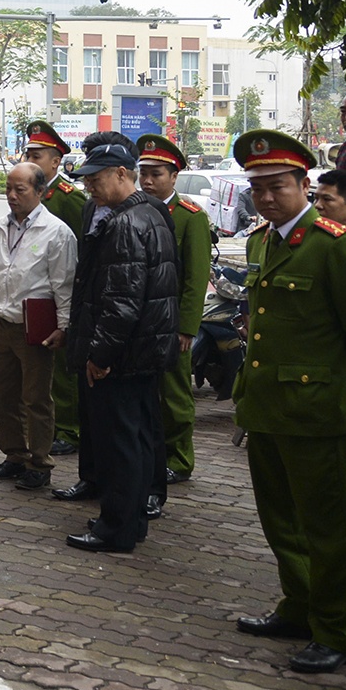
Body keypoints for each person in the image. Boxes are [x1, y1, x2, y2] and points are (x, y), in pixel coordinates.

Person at [230, 129, 346, 674]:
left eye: (278, 187)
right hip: (266, 405)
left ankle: (337, 629)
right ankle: (298, 606)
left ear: (303, 184)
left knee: (329, 527)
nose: (267, 198)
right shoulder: (262, 241)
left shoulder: (335, 243)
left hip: (315, 410)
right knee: (280, 520)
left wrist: (319, 379)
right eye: (258, 188)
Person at [60, 133, 178, 554]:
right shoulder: (151, 212)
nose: (89, 186)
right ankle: (130, 519)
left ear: (122, 173)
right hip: (143, 349)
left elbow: (122, 301)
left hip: (124, 351)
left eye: (96, 178)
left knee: (120, 443)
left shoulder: (126, 223)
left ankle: (116, 527)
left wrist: (100, 355)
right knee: (139, 437)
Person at [0, 163, 77, 491]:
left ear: (40, 192)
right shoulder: (0, 227)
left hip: (36, 329)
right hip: (2, 325)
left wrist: (63, 326)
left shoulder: (56, 232)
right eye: (9, 189)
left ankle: (39, 462)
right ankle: (14, 455)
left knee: (36, 399)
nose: (12, 196)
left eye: (21, 190)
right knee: (5, 395)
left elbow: (65, 285)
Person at [136, 134, 213, 489]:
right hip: (140, 320)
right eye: (144, 174)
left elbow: (196, 278)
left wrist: (186, 327)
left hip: (171, 325)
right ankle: (151, 456)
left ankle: (180, 458)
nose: (148, 181)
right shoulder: (136, 210)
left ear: (174, 175)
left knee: (175, 395)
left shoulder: (190, 218)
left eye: (157, 174)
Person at [21, 122, 86, 456]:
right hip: (34, 296)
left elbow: (82, 252)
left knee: (62, 370)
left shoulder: (70, 199)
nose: (30, 160)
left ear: (56, 161)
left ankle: (70, 429)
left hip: (63, 295)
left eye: (37, 155)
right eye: (28, 154)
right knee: (37, 370)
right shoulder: (27, 191)